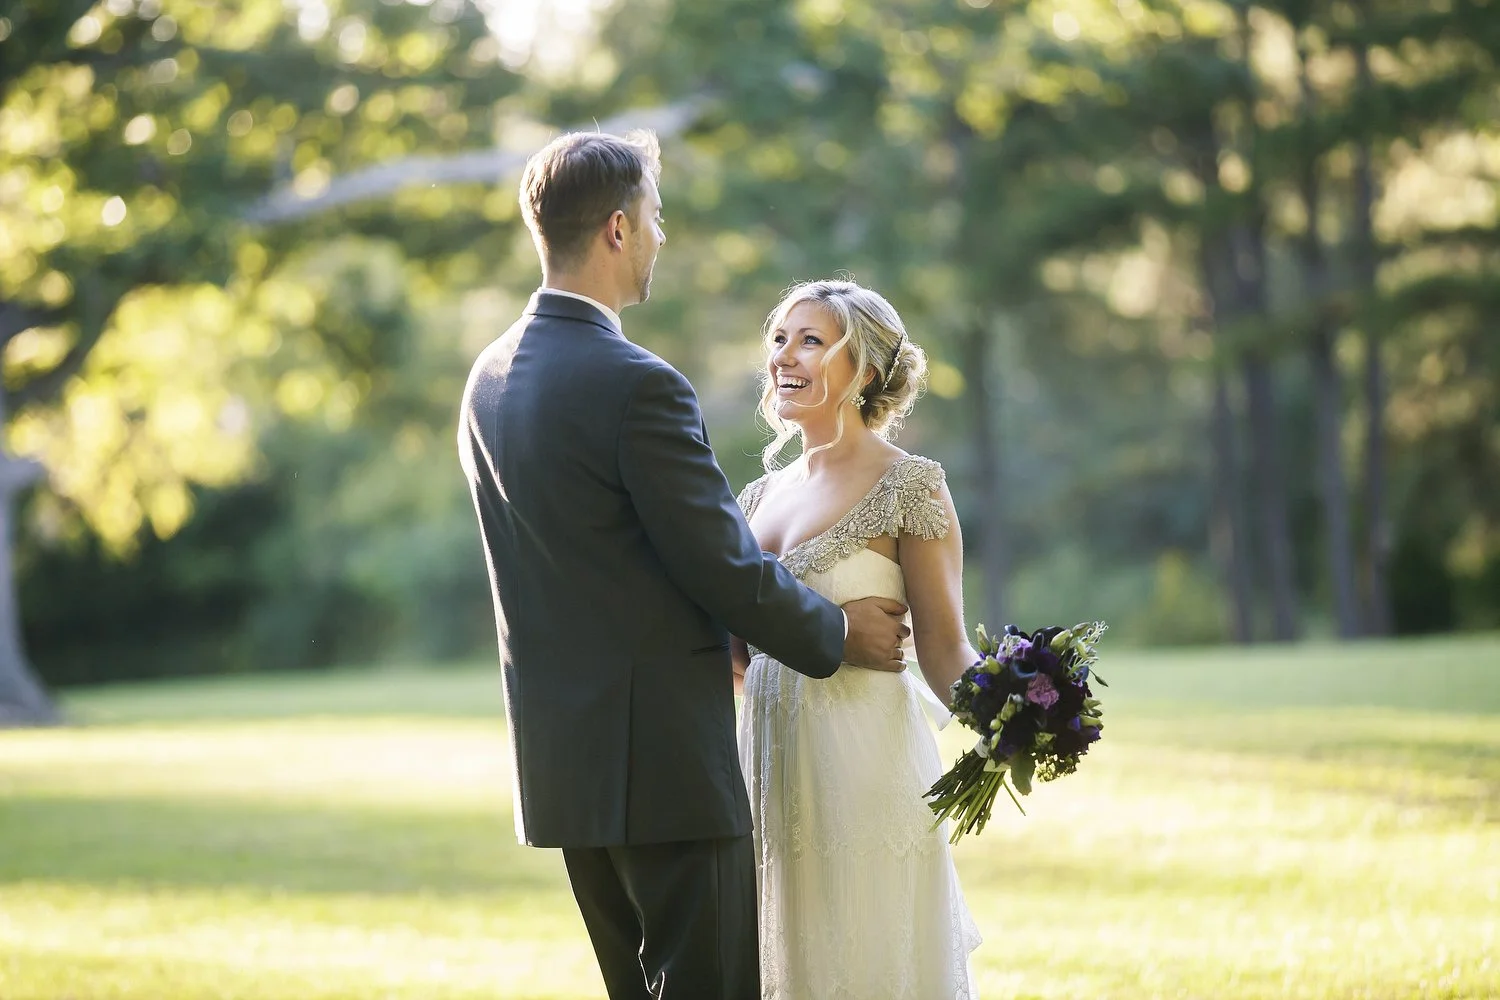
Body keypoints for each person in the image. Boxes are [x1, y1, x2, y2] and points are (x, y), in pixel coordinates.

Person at [457, 131, 915, 1000]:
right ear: (620, 229)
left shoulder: (486, 381)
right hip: (664, 767)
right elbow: (723, 567)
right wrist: (837, 631)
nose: (664, 237)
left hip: (564, 768)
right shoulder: (638, 384)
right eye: (658, 217)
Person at [733, 279, 983, 999]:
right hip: (770, 775)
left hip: (866, 773)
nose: (785, 356)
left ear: (865, 371)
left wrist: (1012, 708)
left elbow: (944, 648)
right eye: (779, 338)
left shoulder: (911, 486)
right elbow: (739, 659)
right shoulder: (756, 498)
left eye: (811, 341)